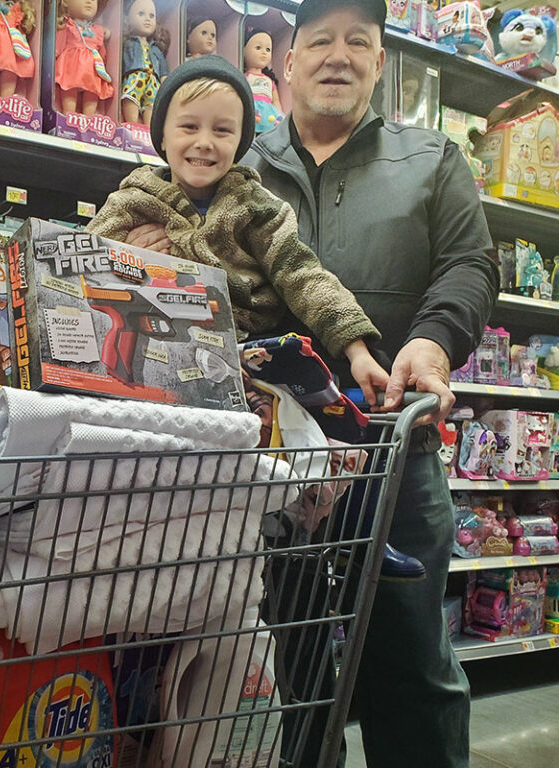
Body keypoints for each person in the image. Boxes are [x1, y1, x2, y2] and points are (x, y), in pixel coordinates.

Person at [125, 1, 499, 765]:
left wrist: (430, 343)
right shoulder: (232, 159)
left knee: (412, 662)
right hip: (261, 459)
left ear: (379, 62)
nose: (338, 55)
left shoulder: (432, 158)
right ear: (287, 63)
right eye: (320, 40)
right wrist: (146, 256)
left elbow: (471, 265)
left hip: (391, 442)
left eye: (357, 42)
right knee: (278, 666)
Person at [86, 55, 390, 400]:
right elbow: (79, 266)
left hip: (243, 365)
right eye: (188, 127)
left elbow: (303, 275)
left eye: (222, 130)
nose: (204, 141)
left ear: (241, 142)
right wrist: (126, 261)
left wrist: (357, 351)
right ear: (163, 137)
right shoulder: (133, 200)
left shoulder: (256, 207)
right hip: (146, 360)